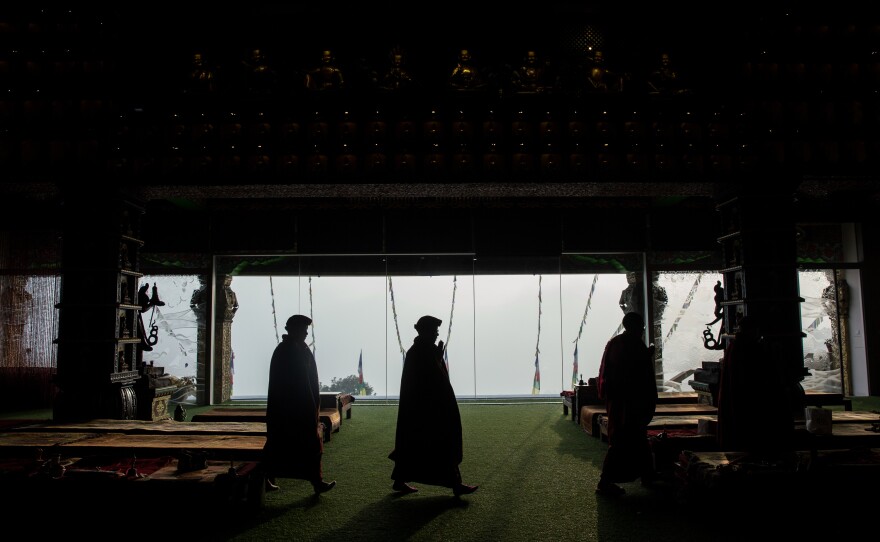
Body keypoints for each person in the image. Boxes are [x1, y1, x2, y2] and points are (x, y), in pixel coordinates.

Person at [389, 315, 478, 496]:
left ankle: (400, 481)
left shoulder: (421, 350)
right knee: (441, 445)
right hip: (429, 410)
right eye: (434, 331)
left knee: (413, 446)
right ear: (427, 331)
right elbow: (432, 381)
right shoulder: (422, 351)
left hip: (421, 410)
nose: (437, 334)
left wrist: (437, 356)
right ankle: (456, 484)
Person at [262, 314, 336, 495]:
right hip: (290, 410)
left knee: (304, 445)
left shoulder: (299, 349)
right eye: (303, 330)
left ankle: (315, 481)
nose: (305, 334)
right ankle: (266, 477)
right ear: (292, 330)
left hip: (303, 407)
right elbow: (288, 384)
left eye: (306, 330)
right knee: (286, 444)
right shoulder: (285, 350)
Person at [596, 312, 657, 496]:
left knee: (637, 440)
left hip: (620, 401)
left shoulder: (616, 343)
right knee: (623, 441)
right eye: (642, 327)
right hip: (629, 403)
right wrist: (648, 354)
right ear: (637, 327)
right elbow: (634, 373)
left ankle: (647, 475)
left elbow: (612, 371)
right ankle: (604, 482)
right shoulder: (633, 345)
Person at [716, 316, 795, 455]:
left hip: (738, 400)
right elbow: (758, 376)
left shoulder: (734, 346)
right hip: (749, 403)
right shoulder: (748, 347)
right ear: (753, 330)